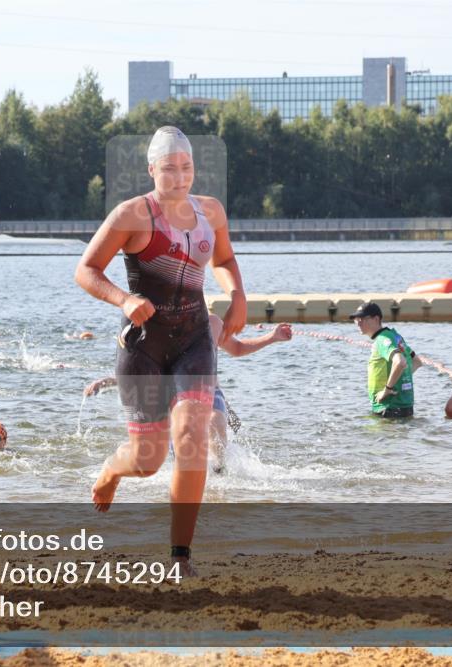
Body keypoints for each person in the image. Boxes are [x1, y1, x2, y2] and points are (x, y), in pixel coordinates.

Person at [74, 125, 246, 574]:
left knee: (192, 439)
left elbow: (224, 260)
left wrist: (238, 296)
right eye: (169, 168)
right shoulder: (132, 215)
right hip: (144, 346)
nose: (180, 176)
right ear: (152, 170)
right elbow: (87, 270)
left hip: (194, 339)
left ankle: (180, 555)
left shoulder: (211, 211)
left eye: (187, 167)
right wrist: (125, 299)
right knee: (147, 461)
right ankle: (113, 470)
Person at [85, 317, 292, 473]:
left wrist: (272, 337)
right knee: (182, 453)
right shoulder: (162, 326)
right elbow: (142, 365)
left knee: (216, 428)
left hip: (210, 390)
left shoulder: (213, 323)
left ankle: (219, 479)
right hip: (175, 395)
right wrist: (108, 381)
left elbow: (236, 348)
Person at [350, 302, 421, 418]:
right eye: (356, 319)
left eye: (362, 318)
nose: (358, 323)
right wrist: (397, 382)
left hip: (389, 409)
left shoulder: (382, 339)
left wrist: (387, 389)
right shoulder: (395, 336)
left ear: (376, 319)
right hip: (404, 407)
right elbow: (416, 362)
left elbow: (400, 362)